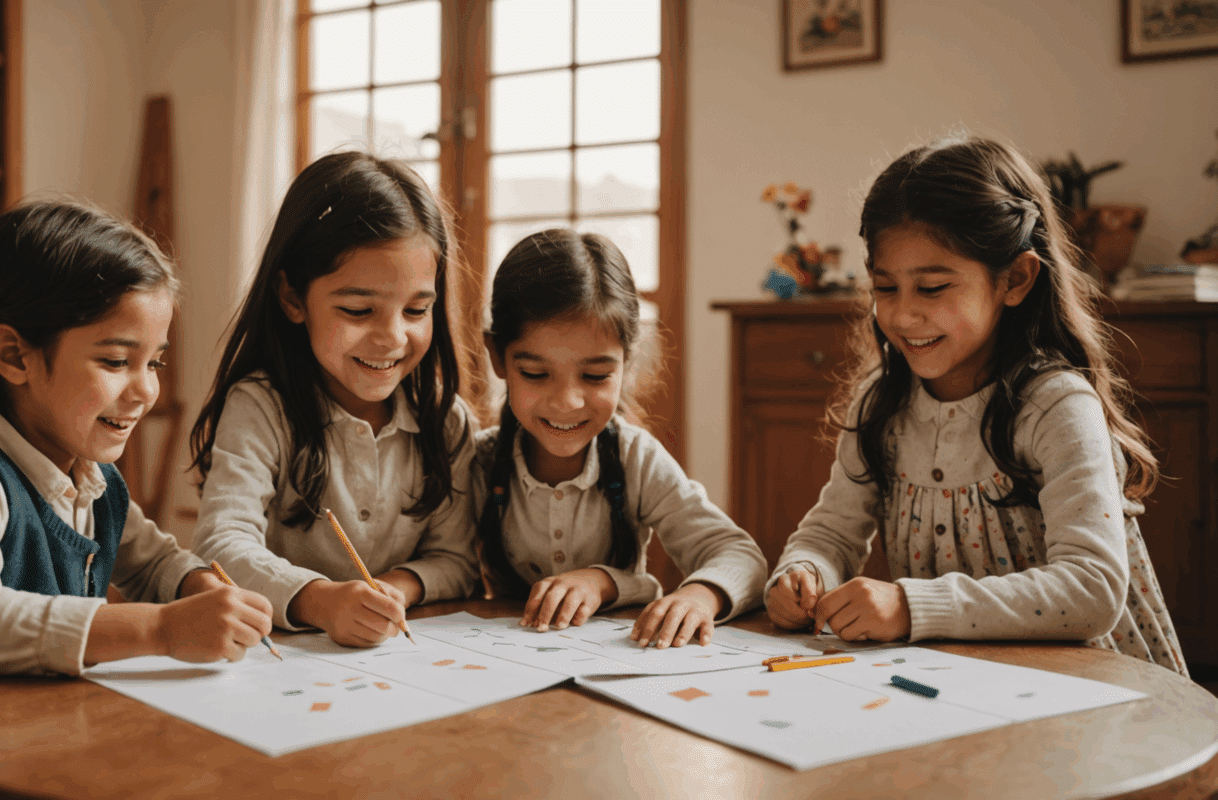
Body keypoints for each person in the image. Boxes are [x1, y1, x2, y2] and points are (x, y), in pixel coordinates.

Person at [0, 200, 275, 798]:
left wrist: (197, 588)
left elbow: (156, 560)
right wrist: (160, 629)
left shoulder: (95, 480)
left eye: (154, 361)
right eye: (116, 360)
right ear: (14, 356)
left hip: (17, 749)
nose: (145, 390)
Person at [764, 136, 1187, 676]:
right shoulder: (883, 405)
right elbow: (831, 532)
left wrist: (911, 606)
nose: (903, 315)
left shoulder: (1056, 406)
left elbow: (1092, 587)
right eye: (885, 287)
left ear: (1015, 279)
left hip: (1092, 691)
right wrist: (804, 572)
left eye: (933, 287)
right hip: (963, 684)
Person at [190, 152, 476, 649]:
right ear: (293, 298)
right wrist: (319, 601)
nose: (392, 338)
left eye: (416, 309)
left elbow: (457, 560)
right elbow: (221, 546)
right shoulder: (261, 407)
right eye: (358, 309)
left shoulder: (445, 420)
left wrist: (393, 590)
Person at [477, 229, 766, 649]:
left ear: (628, 363)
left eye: (595, 376)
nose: (567, 402)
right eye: (536, 374)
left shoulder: (637, 458)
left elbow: (741, 557)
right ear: (496, 357)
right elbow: (444, 564)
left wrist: (699, 596)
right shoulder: (477, 461)